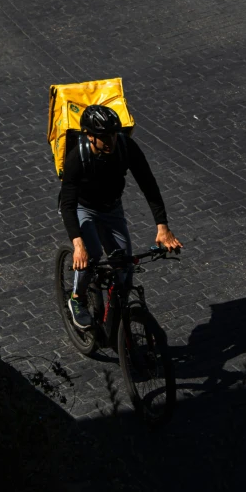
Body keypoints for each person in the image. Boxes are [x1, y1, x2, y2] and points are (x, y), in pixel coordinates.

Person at [60, 105, 182, 330]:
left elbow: (149, 185)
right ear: (89, 136)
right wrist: (78, 245)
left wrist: (162, 227)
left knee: (125, 266)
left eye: (113, 134)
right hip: (83, 208)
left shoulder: (126, 147)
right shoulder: (77, 156)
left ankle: (118, 318)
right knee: (92, 254)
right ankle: (77, 298)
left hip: (112, 208)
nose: (110, 141)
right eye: (103, 136)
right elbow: (67, 203)